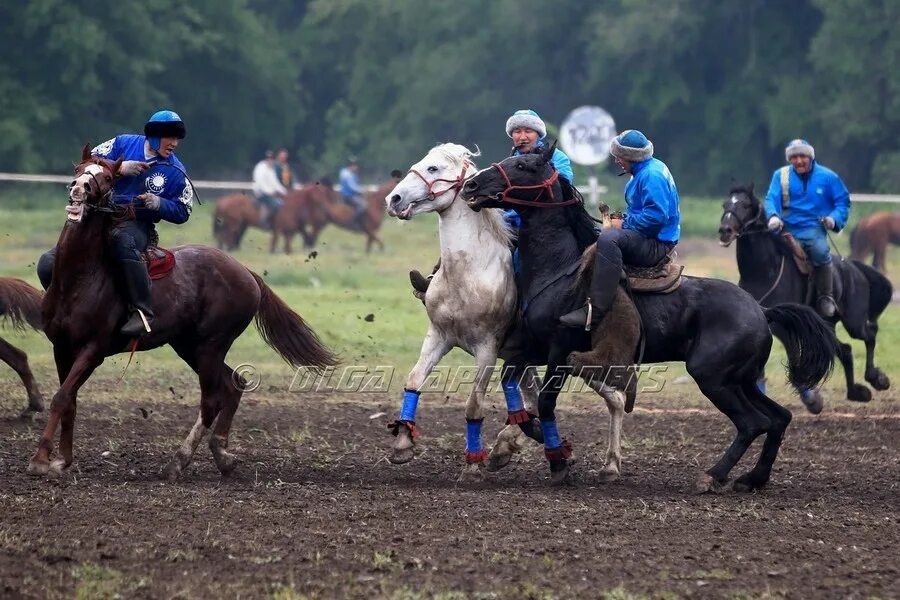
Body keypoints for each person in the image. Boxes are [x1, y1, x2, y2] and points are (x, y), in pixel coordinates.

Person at [37, 109, 192, 337]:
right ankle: (61, 304)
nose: (175, 143)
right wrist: (120, 167)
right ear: (156, 135)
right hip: (98, 218)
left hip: (135, 225)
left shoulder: (176, 171)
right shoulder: (122, 143)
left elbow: (183, 210)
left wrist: (158, 203)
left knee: (121, 240)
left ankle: (142, 311)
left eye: (178, 138)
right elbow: (89, 161)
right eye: (171, 137)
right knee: (47, 263)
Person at [409, 109, 575, 297]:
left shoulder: (557, 158)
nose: (522, 136)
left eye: (528, 131)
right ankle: (437, 278)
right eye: (517, 131)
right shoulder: (509, 162)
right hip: (509, 223)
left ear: (538, 134)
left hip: (544, 225)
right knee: (469, 238)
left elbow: (561, 186)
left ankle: (519, 299)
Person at [560, 129, 680, 330]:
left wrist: (624, 224)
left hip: (657, 244)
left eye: (620, 156)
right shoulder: (644, 170)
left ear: (632, 157)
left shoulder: (651, 175)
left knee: (609, 240)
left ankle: (596, 311)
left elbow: (656, 217)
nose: (616, 160)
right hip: (647, 237)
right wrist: (621, 220)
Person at [764, 139, 849, 318]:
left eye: (802, 156)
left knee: (819, 250)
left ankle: (826, 296)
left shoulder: (828, 177)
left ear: (810, 156)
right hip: (785, 228)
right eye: (794, 157)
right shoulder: (781, 175)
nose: (799, 161)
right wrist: (772, 215)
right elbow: (771, 198)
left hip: (813, 229)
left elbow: (842, 202)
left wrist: (833, 219)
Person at [252, 150, 288, 228]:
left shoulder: (271, 169)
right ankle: (264, 221)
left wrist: (285, 192)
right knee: (276, 204)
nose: (270, 160)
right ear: (266, 159)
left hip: (270, 192)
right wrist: (269, 192)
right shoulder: (260, 167)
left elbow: (275, 183)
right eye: (269, 158)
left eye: (271, 159)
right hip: (261, 192)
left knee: (282, 203)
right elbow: (260, 182)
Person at [338, 156, 367, 224]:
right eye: (354, 165)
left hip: (352, 195)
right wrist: (362, 190)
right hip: (348, 196)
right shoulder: (346, 174)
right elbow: (352, 187)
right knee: (363, 205)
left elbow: (356, 185)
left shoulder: (351, 173)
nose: (356, 167)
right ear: (350, 165)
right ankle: (353, 221)